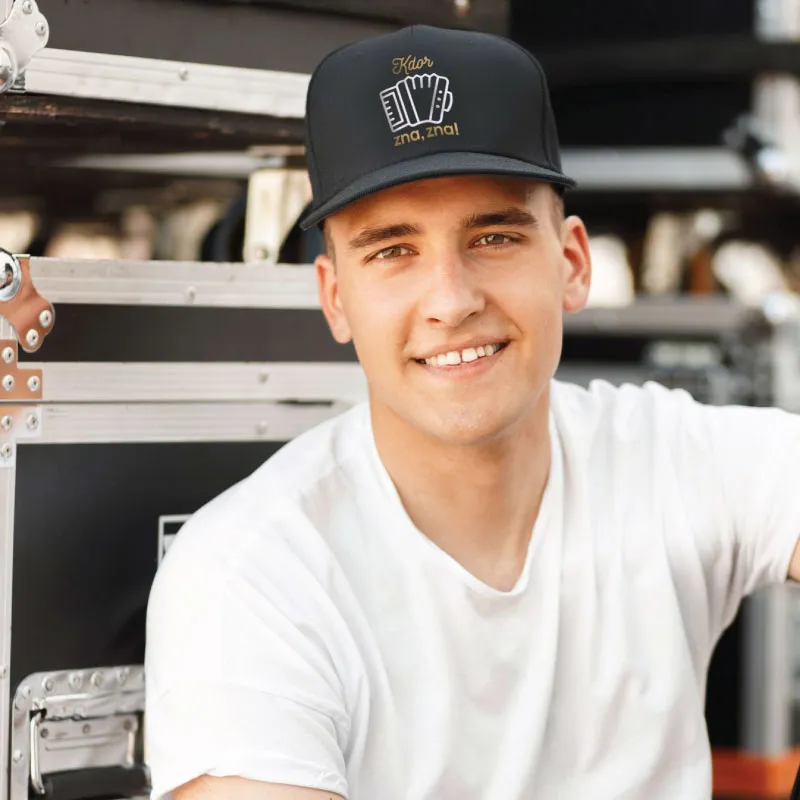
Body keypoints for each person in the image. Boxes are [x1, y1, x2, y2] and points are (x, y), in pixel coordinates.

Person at [144, 24, 800, 800]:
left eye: (492, 237)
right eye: (393, 250)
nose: (451, 301)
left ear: (572, 263)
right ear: (335, 298)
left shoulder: (664, 457)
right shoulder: (251, 574)